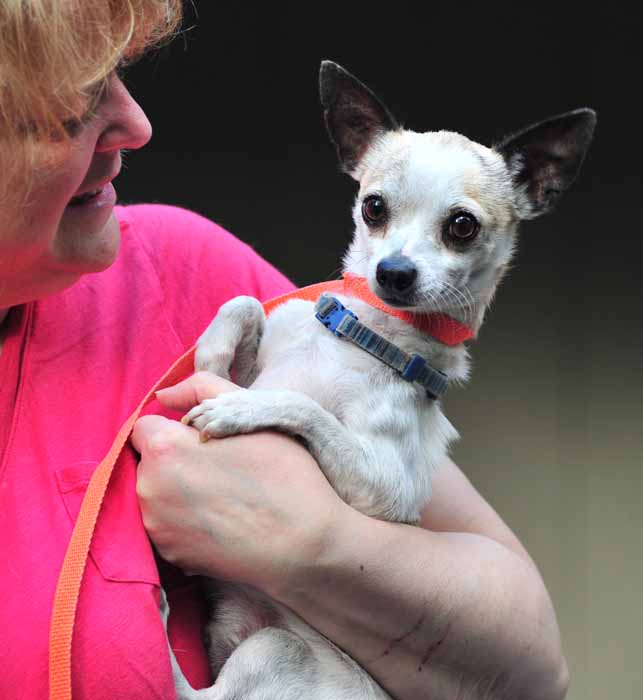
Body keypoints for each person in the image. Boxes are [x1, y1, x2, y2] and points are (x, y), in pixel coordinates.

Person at [0, 1, 569, 699]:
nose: (137, 122)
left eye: (118, 74)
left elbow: (533, 668)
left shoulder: (192, 278)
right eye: (74, 103)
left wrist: (308, 540)